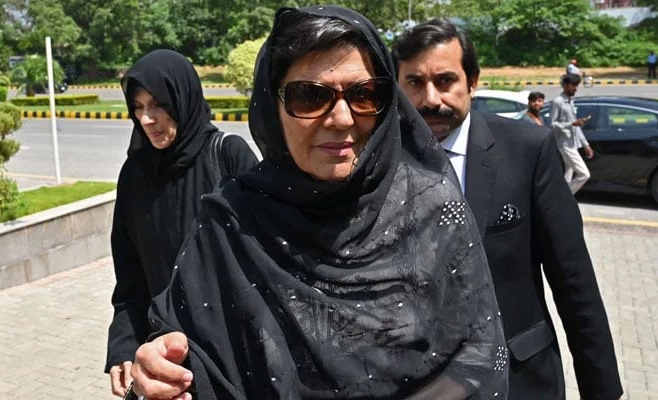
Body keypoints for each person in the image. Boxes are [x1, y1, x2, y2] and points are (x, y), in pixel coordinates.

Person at [127, 6, 508, 400]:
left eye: (363, 94)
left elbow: (478, 356)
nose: (342, 118)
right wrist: (159, 372)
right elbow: (190, 357)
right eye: (309, 96)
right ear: (271, 106)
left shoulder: (432, 209)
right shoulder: (231, 221)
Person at [393, 19, 622, 400]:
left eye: (445, 81)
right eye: (414, 83)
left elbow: (574, 280)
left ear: (473, 81)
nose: (430, 99)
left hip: (521, 378)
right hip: (418, 384)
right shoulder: (378, 164)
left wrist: (603, 390)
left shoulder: (527, 150)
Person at [105, 49, 259, 397]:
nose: (146, 119)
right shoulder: (135, 175)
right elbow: (130, 276)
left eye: (158, 104)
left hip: (234, 356)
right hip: (164, 362)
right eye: (138, 107)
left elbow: (268, 259)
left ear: (183, 98)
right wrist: (123, 346)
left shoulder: (228, 157)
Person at [550, 73, 595, 194]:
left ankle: (560, 200)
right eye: (573, 85)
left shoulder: (570, 101)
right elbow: (552, 124)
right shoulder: (558, 102)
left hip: (572, 143)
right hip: (564, 144)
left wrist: (586, 145)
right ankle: (564, 199)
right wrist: (571, 124)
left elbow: (576, 126)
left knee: (567, 177)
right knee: (584, 174)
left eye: (576, 85)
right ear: (565, 85)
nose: (575, 88)